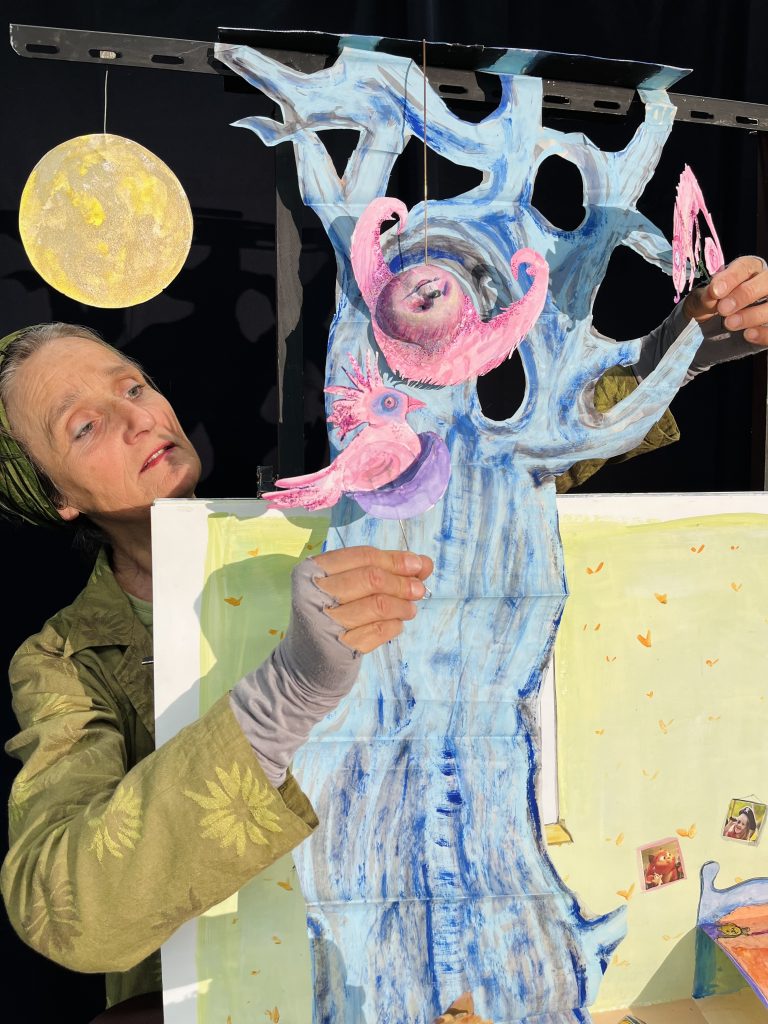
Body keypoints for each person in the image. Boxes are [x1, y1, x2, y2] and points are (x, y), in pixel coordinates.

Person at [1, 254, 767, 1016]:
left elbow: (508, 482)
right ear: (55, 495)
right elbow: (65, 911)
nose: (138, 417)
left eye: (133, 386)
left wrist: (675, 356)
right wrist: (280, 698)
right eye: (85, 426)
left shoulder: (317, 518)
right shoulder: (67, 661)